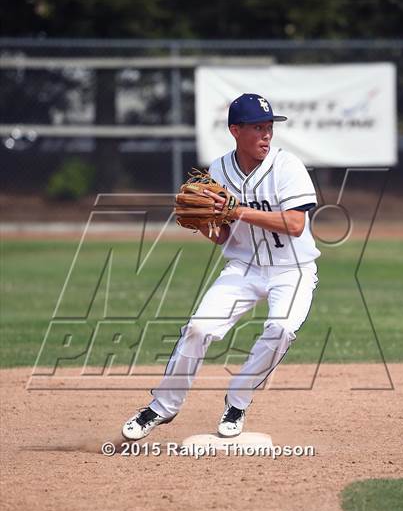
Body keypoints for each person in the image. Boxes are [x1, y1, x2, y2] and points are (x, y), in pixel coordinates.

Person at [122, 93, 320, 440]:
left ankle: (238, 401)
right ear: (235, 130)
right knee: (198, 328)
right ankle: (161, 407)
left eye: (269, 127)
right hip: (244, 267)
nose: (266, 135)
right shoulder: (219, 170)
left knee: (282, 329)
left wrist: (236, 210)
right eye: (258, 128)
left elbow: (295, 224)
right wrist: (203, 224)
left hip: (293, 270)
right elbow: (224, 234)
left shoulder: (288, 166)